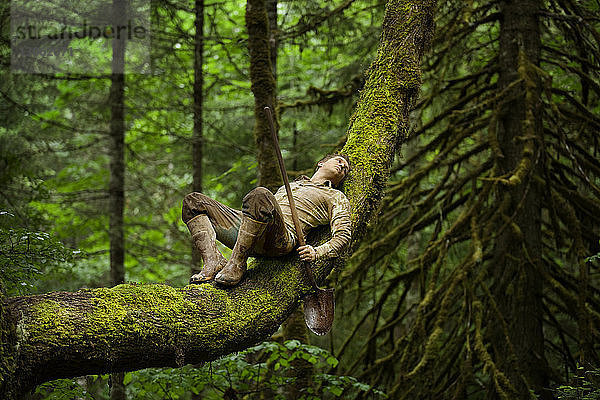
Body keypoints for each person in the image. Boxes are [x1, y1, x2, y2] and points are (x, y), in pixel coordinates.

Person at [181, 154, 352, 286]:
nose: (342, 166)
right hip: (249, 230)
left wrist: (317, 252)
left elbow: (343, 236)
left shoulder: (335, 196)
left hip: (280, 239)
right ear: (321, 163)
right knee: (193, 202)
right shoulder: (291, 185)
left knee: (260, 195)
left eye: (345, 169)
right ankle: (214, 261)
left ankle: (238, 263)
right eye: (339, 161)